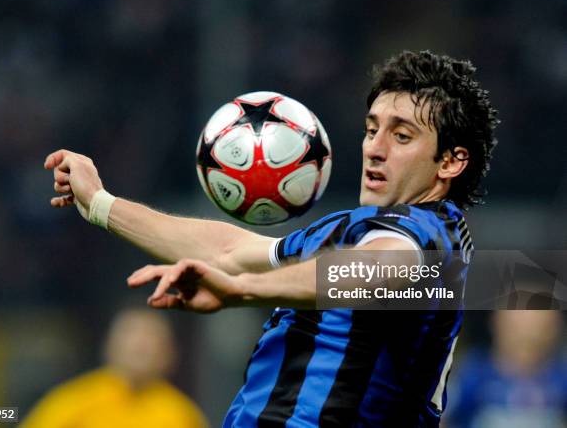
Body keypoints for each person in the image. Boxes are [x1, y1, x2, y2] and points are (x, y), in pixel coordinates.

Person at [45, 50, 498, 427]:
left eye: (402, 136)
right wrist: (100, 204)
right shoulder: (348, 229)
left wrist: (242, 291)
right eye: (371, 128)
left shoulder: (433, 235)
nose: (375, 148)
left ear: (451, 162)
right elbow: (229, 250)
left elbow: (377, 272)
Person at [20, 308, 209, 428]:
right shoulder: (74, 402)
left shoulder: (181, 415)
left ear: (169, 354)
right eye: (131, 335)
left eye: (151, 339)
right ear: (109, 346)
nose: (140, 345)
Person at [445, 311, 567, 428]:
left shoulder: (561, 378)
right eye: (516, 329)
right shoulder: (472, 374)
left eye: (540, 329)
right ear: (496, 324)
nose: (528, 338)